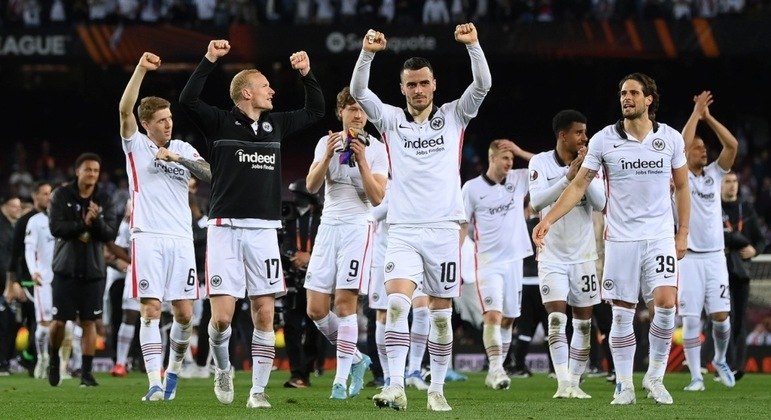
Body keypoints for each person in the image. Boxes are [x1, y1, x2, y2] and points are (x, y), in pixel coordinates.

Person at [350, 23, 491, 411]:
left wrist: (473, 45)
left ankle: (436, 389)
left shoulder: (454, 116)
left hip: (445, 229)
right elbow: (360, 92)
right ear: (402, 88)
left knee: (441, 318)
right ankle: (395, 385)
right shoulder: (391, 120)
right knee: (396, 305)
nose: (418, 90)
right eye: (411, 84)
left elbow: (482, 85)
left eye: (423, 83)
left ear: (434, 84)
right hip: (404, 229)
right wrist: (367, 54)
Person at [179, 39, 324, 409]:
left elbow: (316, 109)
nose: (272, 90)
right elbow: (188, 100)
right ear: (247, 92)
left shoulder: (276, 124)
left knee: (264, 312)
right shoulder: (221, 122)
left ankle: (257, 392)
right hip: (225, 228)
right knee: (222, 319)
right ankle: (223, 368)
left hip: (263, 230)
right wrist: (210, 58)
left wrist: (306, 74)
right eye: (265, 86)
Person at [533, 73, 690, 405]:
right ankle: (624, 384)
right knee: (622, 314)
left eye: (634, 92)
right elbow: (577, 185)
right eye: (622, 93)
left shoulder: (671, 139)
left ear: (649, 99)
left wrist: (682, 232)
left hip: (659, 236)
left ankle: (655, 377)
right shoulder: (604, 140)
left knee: (665, 303)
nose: (626, 97)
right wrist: (547, 218)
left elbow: (683, 186)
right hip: (620, 239)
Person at [118, 52, 211, 401]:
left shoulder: (183, 147)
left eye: (170, 118)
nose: (168, 125)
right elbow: (125, 109)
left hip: (182, 241)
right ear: (147, 125)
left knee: (185, 315)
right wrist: (141, 67)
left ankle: (172, 374)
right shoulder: (136, 145)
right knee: (151, 310)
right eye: (160, 120)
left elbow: (210, 174)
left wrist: (178, 157)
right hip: (148, 238)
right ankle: (154, 383)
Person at [304, 86, 388, 400]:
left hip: (357, 226)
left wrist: (363, 161)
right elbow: (312, 186)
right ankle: (356, 359)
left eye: (362, 109)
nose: (357, 114)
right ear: (340, 112)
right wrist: (327, 154)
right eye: (351, 108)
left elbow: (377, 197)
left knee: (344, 304)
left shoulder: (377, 148)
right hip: (328, 227)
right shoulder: (325, 143)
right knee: (315, 309)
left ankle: (339, 382)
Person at [528, 110, 606, 398]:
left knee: (583, 323)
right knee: (557, 320)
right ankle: (562, 383)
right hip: (552, 255)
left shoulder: (590, 163)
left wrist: (586, 173)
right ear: (563, 135)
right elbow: (536, 202)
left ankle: (575, 382)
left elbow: (599, 203)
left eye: (585, 132)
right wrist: (566, 177)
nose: (585, 137)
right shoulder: (540, 162)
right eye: (579, 132)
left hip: (584, 256)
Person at [678, 91, 738, 391]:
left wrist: (708, 117)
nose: (704, 151)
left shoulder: (714, 173)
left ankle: (721, 359)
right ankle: (696, 377)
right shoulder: (680, 178)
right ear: (687, 152)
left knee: (721, 317)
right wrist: (695, 114)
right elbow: (681, 143)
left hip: (715, 256)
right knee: (691, 320)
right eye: (698, 148)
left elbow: (732, 145)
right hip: (688, 257)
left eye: (704, 148)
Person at [461, 139, 533, 391]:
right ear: (492, 158)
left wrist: (519, 150)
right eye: (505, 158)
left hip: (515, 261)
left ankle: (496, 370)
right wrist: (456, 257)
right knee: (493, 315)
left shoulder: (519, 179)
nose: (509, 163)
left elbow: (548, 166)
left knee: (509, 319)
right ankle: (496, 368)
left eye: (511, 159)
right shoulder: (471, 189)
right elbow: (461, 223)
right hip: (488, 263)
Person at [47, 152, 118, 387]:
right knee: (59, 321)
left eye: (96, 171)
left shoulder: (104, 198)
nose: (92, 174)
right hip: (65, 269)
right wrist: (83, 223)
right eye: (88, 170)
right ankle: (54, 362)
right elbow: (56, 228)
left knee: (90, 322)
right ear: (77, 171)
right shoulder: (61, 195)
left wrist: (96, 222)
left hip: (93, 270)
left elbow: (110, 234)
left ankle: (86, 373)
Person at [721, 171, 765, 378]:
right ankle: (722, 362)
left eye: (735, 182)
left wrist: (754, 250)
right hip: (717, 269)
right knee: (721, 317)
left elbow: (760, 239)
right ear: (719, 186)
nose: (732, 186)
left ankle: (738, 365)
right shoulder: (713, 207)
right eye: (727, 182)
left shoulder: (745, 208)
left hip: (740, 271)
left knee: (739, 318)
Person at [281, 179, 324, 388]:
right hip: (291, 278)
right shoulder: (285, 216)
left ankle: (307, 369)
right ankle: (297, 373)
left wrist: (311, 256)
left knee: (314, 326)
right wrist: (292, 255)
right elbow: (278, 241)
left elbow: (328, 244)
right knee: (291, 326)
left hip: (315, 277)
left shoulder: (321, 218)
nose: (297, 201)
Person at [24, 182, 55, 379]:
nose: (48, 197)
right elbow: (29, 249)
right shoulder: (34, 221)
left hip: (61, 279)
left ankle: (58, 362)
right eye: (44, 193)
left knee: (63, 324)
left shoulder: (60, 220)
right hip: (43, 278)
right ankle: (42, 357)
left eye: (50, 193)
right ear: (36, 196)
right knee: (44, 323)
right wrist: (33, 271)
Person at [0, 195, 23, 375]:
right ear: (4, 207)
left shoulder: (13, 227)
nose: (18, 209)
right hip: (4, 284)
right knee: (4, 324)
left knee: (10, 324)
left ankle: (5, 361)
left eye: (19, 206)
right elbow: (4, 260)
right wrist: (11, 282)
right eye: (14, 206)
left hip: (10, 283)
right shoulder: (3, 229)